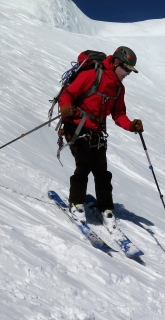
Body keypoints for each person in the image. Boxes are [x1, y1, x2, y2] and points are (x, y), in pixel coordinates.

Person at [58, 46, 144, 231]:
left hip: (96, 133)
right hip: (76, 126)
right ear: (116, 63)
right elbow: (68, 94)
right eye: (126, 69)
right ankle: (76, 203)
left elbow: (118, 113)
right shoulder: (92, 76)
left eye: (130, 71)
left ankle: (106, 208)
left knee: (102, 173)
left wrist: (131, 125)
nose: (127, 73)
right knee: (84, 164)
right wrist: (65, 107)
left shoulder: (119, 89)